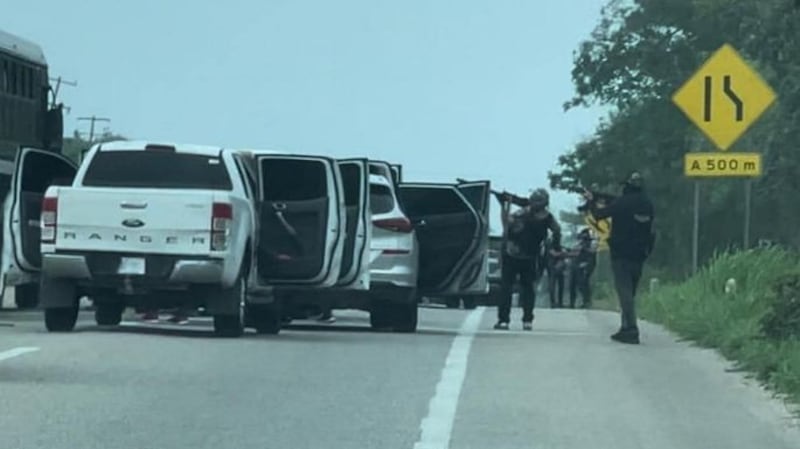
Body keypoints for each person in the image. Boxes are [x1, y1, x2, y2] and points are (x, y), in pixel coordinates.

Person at [584, 172, 654, 344]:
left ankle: (631, 329)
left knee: (625, 293)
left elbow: (599, 215)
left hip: (621, 254)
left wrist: (592, 200)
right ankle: (625, 327)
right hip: (640, 254)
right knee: (631, 292)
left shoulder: (622, 203)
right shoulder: (648, 204)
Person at [495, 188, 561, 331]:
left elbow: (507, 224)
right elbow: (508, 225)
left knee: (515, 288)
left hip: (523, 256)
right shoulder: (541, 216)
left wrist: (504, 206)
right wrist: (504, 205)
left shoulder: (528, 214)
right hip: (521, 255)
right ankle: (521, 320)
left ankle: (509, 320)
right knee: (522, 289)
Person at [568, 228, 597, 309]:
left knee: (583, 284)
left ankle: (586, 302)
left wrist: (586, 265)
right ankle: (572, 303)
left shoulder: (591, 245)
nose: (583, 239)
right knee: (572, 285)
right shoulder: (577, 244)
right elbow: (573, 252)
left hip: (584, 266)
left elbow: (592, 255)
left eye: (585, 238)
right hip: (575, 265)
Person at [543, 236, 566, 308]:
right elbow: (554, 254)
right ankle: (553, 302)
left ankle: (559, 302)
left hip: (558, 265)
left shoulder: (557, 244)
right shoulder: (549, 243)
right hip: (552, 266)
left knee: (560, 285)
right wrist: (565, 253)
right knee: (552, 284)